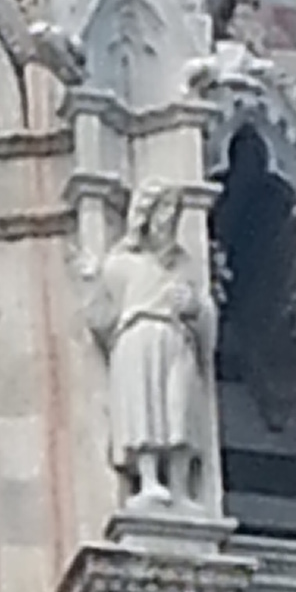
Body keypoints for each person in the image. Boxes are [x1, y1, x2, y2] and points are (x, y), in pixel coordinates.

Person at [86, 182, 212, 509]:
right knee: (145, 413)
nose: (170, 218)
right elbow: (101, 317)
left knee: (179, 412)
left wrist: (195, 307)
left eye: (174, 210)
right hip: (138, 340)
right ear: (145, 215)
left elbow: (205, 315)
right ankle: (150, 479)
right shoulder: (121, 263)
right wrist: (91, 281)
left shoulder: (184, 264)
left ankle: (181, 487)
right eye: (164, 209)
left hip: (176, 340)